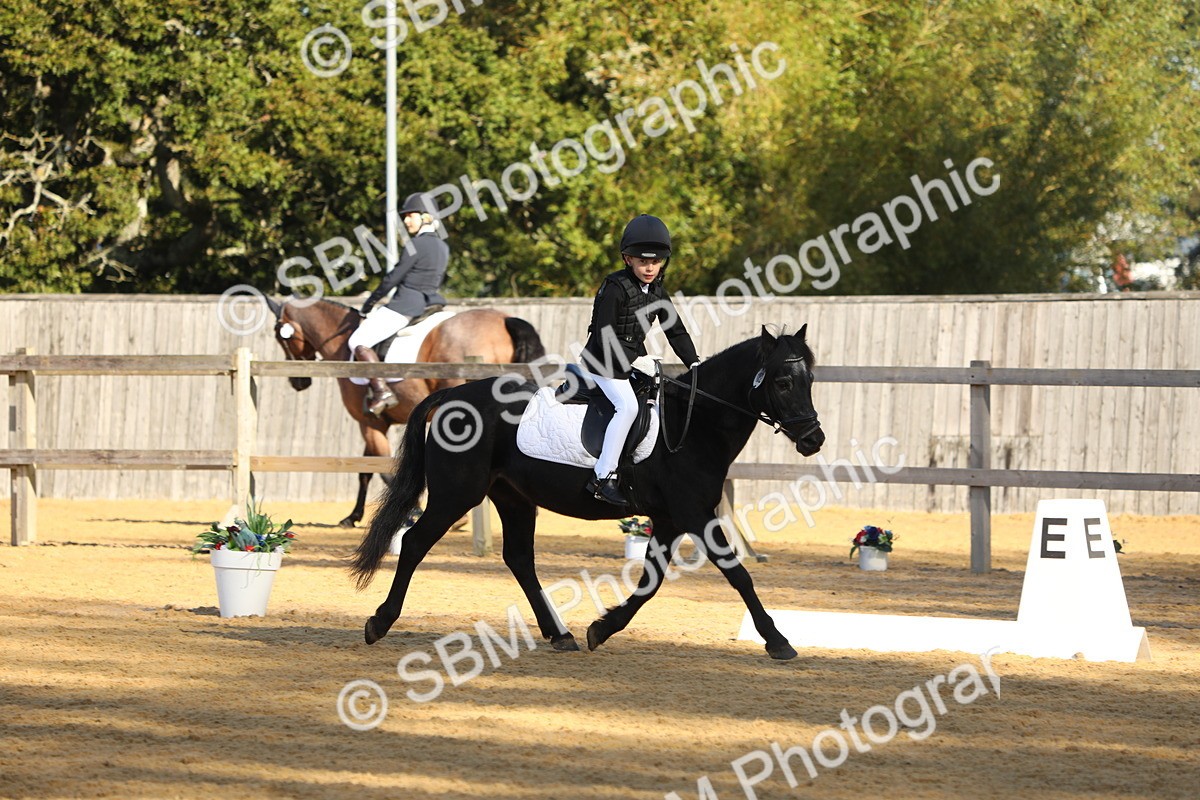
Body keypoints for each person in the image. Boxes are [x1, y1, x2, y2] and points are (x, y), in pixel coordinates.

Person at [579, 214, 700, 506]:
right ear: (627, 259)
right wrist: (632, 365)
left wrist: (695, 363)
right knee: (628, 407)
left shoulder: (657, 291)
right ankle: (602, 477)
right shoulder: (615, 287)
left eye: (656, 262)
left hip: (631, 360)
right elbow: (605, 334)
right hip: (602, 361)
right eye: (643, 261)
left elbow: (675, 329)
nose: (649, 267)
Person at [350, 192, 450, 416]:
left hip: (405, 304)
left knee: (358, 340)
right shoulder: (444, 247)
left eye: (410, 216)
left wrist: (369, 303)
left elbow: (393, 278)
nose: (406, 221)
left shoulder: (416, 244)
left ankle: (381, 390)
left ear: (425, 217)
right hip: (430, 303)